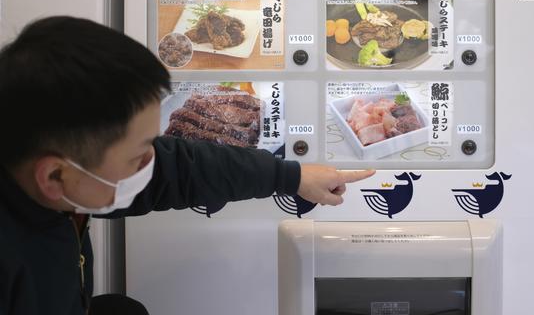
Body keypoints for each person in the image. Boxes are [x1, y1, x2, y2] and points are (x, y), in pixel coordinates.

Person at [0, 16, 375, 315]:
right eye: (139, 156)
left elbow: (179, 167)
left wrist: (290, 176)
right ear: (53, 175)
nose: (153, 162)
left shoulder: (57, 177)